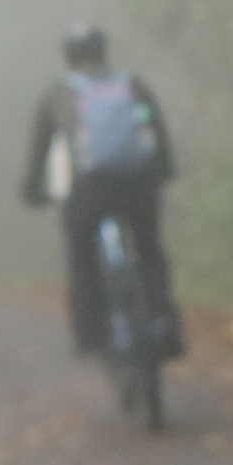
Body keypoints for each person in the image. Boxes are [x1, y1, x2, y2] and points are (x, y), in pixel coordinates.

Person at [23, 22, 181, 361]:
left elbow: (40, 149)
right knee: (149, 251)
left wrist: (32, 190)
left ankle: (91, 336)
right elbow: (157, 132)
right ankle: (164, 324)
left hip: (88, 190)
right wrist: (164, 172)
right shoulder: (133, 84)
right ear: (103, 51)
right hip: (138, 185)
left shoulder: (59, 92)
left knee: (82, 258)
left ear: (69, 56)